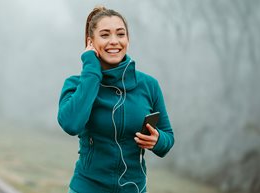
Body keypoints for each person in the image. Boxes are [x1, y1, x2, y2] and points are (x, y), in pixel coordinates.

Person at [57, 6, 175, 193]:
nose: (114, 41)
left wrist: (158, 140)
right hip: (86, 189)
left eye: (120, 34)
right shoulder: (76, 84)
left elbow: (168, 138)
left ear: (127, 39)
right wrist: (91, 69)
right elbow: (71, 125)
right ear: (91, 42)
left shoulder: (148, 85)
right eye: (105, 35)